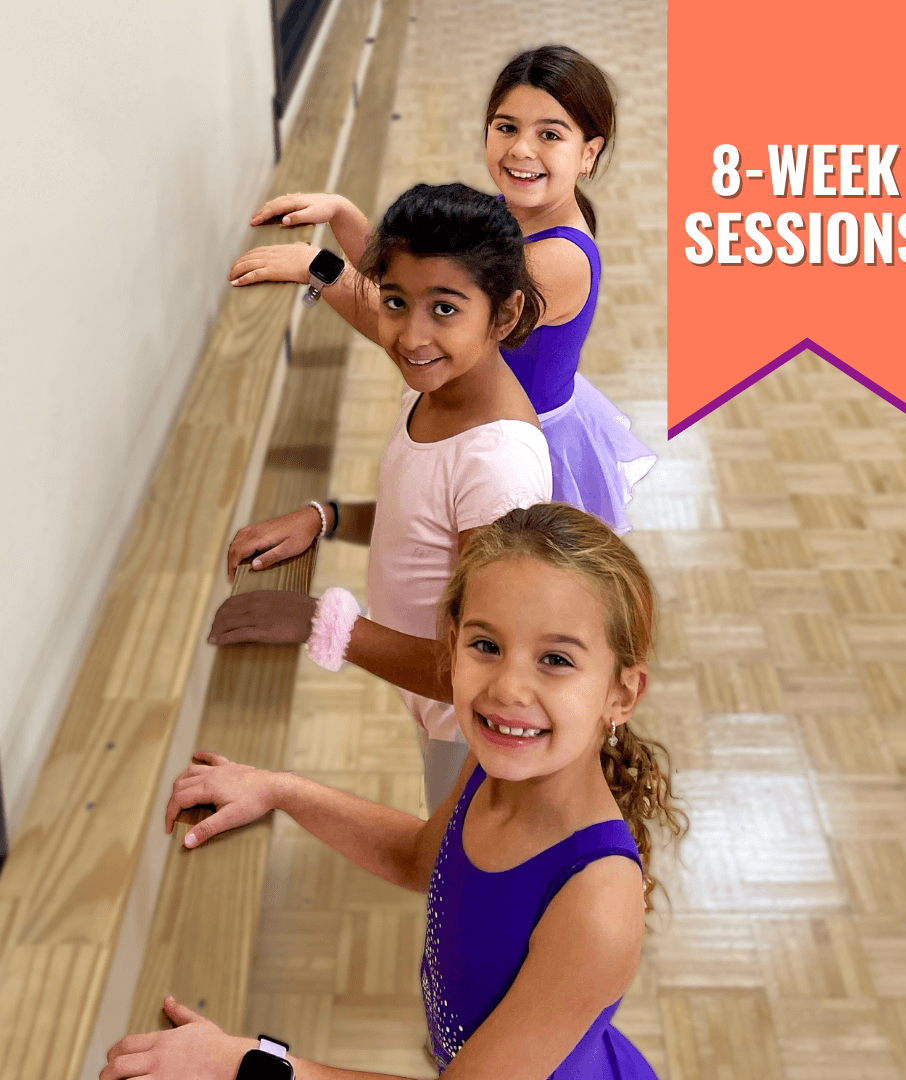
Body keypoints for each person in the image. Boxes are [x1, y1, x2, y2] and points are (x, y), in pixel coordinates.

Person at [102, 503, 685, 1080]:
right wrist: (280, 790)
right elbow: (420, 856)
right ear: (452, 643)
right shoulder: (494, 763)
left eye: (555, 659)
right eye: (485, 645)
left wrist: (253, 1068)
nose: (507, 688)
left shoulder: (597, 904)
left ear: (622, 694)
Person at [212, 183, 552, 809]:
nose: (409, 336)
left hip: (479, 736)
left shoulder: (498, 466)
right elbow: (422, 520)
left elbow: (481, 670)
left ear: (502, 315)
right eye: (398, 303)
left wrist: (324, 624)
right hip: (442, 716)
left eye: (445, 309)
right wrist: (327, 517)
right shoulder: (439, 381)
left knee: (448, 875)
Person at [229, 45, 654, 535]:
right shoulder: (512, 210)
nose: (520, 149)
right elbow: (416, 277)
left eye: (550, 135)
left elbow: (423, 324)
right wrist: (343, 215)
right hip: (487, 410)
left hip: (517, 446)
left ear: (588, 153)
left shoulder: (557, 261)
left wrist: (320, 268)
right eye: (506, 126)